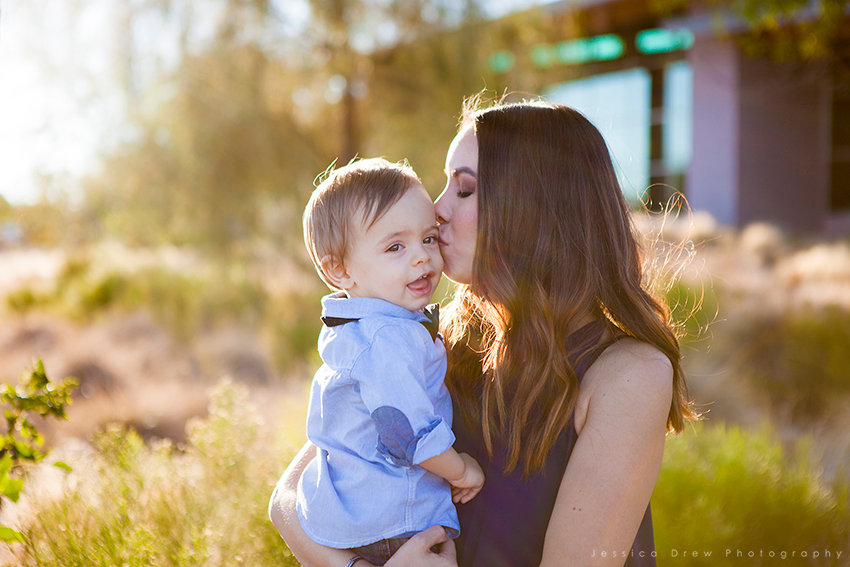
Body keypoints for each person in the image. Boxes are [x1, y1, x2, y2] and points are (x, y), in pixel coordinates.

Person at [269, 98, 696, 567]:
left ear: (535, 207)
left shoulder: (628, 374)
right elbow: (290, 497)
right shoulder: (440, 339)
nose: (437, 209)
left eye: (465, 190)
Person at [290, 157, 485, 567]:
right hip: (395, 523)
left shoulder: (360, 326)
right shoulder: (387, 339)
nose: (422, 258)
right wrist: (461, 471)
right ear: (339, 270)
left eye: (428, 238)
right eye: (395, 247)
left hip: (360, 516)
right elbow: (408, 433)